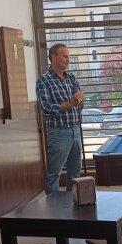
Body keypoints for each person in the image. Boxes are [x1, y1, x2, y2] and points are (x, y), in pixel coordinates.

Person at [36, 43, 84, 194]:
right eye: (65, 56)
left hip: (75, 130)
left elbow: (79, 104)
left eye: (68, 57)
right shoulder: (43, 80)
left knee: (75, 173)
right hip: (58, 132)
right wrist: (70, 104)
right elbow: (45, 107)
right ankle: (53, 207)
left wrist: (80, 99)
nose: (68, 60)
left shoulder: (71, 77)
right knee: (54, 173)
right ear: (54, 57)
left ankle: (73, 203)